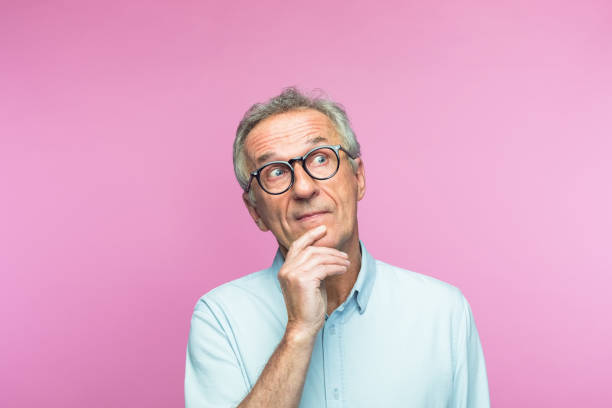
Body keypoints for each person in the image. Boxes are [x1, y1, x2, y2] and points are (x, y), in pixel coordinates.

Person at [184, 88, 490, 408]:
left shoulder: (443, 312)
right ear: (255, 211)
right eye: (275, 171)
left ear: (358, 178)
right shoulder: (220, 317)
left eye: (320, 158)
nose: (303, 187)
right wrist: (299, 332)